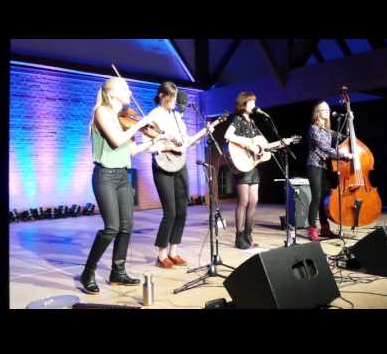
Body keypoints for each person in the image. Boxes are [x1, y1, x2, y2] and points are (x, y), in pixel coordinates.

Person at [80, 77, 166, 295]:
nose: (130, 92)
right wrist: (139, 124)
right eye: (126, 89)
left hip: (122, 176)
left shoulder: (122, 118)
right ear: (113, 93)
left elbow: (131, 150)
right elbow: (116, 141)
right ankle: (87, 272)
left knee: (127, 226)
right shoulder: (101, 112)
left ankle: (117, 271)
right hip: (105, 176)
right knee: (111, 227)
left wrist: (154, 142)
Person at [144, 82, 213, 268]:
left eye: (175, 98)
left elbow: (185, 142)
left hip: (179, 164)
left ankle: (174, 251)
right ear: (161, 96)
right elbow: (148, 144)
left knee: (182, 210)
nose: (174, 102)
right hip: (162, 166)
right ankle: (161, 254)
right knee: (170, 212)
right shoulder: (153, 116)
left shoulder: (176, 117)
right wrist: (167, 145)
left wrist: (203, 133)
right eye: (171, 98)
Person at [306, 100, 352, 241]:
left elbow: (343, 137)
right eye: (324, 110)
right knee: (316, 197)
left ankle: (325, 228)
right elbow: (325, 148)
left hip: (325, 166)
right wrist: (343, 154)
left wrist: (350, 121)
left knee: (323, 199)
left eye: (328, 109)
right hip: (314, 165)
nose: (327, 112)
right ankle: (312, 230)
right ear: (318, 113)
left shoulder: (327, 130)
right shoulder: (314, 128)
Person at [224, 92, 264, 250]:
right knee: (244, 201)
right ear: (244, 103)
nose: (254, 105)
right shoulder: (238, 119)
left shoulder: (252, 122)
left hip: (252, 165)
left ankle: (248, 234)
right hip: (242, 164)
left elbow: (261, 143)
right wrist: (247, 144)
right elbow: (228, 135)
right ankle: (239, 236)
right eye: (251, 102)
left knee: (254, 200)